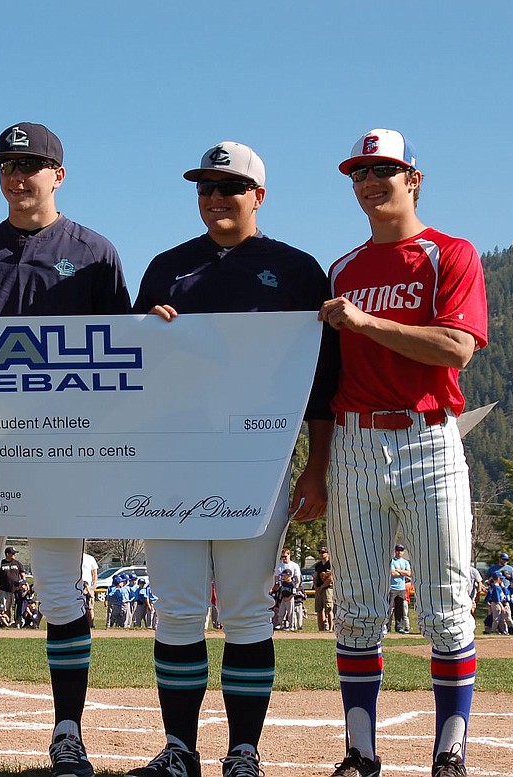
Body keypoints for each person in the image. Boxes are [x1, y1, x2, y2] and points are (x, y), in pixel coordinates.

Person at [0, 122, 131, 777]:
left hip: (59, 450)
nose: (17, 176)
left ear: (58, 174)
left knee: (63, 592)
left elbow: (124, 358)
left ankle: (68, 735)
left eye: (31, 165)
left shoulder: (94, 253)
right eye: (7, 165)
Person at [125, 141, 332, 777]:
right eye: (206, 187)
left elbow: (322, 382)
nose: (216, 198)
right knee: (180, 609)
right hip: (174, 458)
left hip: (258, 460)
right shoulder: (166, 266)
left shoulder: (297, 269)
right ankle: (180, 750)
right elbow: (133, 369)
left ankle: (243, 751)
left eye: (231, 187)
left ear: (258, 196)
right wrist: (148, 331)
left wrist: (316, 467)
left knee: (245, 609)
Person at [303, 128, 488, 777]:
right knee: (354, 607)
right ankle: (360, 750)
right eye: (359, 172)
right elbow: (323, 382)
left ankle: (450, 750)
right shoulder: (343, 269)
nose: (370, 181)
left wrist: (366, 323)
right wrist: (315, 465)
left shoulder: (449, 253)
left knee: (443, 603)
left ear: (413, 177)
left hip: (429, 436)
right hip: (354, 440)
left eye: (383, 169)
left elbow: (456, 347)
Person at [388, 544, 412, 634]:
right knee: (389, 608)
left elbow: (409, 573)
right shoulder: (392, 561)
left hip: (401, 588)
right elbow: (393, 573)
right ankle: (387, 626)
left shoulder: (405, 562)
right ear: (395, 551)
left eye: (401, 550)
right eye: (397, 550)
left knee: (400, 609)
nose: (399, 552)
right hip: (392, 588)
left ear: (403, 552)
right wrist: (403, 573)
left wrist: (399, 571)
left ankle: (399, 627)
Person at [0, 546, 26, 616]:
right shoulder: (1, 563)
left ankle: (16, 622)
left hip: (16, 590)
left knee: (16, 607)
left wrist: (24, 584)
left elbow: (22, 574)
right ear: (7, 554)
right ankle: (8, 621)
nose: (14, 555)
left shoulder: (17, 563)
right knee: (6, 608)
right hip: (4, 589)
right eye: (13, 553)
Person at [314, 548, 335, 632]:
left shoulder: (331, 564)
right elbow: (315, 576)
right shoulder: (318, 565)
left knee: (329, 609)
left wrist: (322, 587)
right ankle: (321, 630)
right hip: (318, 589)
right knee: (319, 610)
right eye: (320, 552)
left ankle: (330, 628)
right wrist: (315, 586)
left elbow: (331, 578)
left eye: (323, 552)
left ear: (328, 553)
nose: (321, 554)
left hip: (327, 589)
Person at [80, 552, 99, 626]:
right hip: (77, 586)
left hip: (88, 586)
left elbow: (94, 573)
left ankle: (91, 624)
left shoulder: (90, 558)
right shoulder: (74, 557)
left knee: (89, 607)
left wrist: (94, 585)